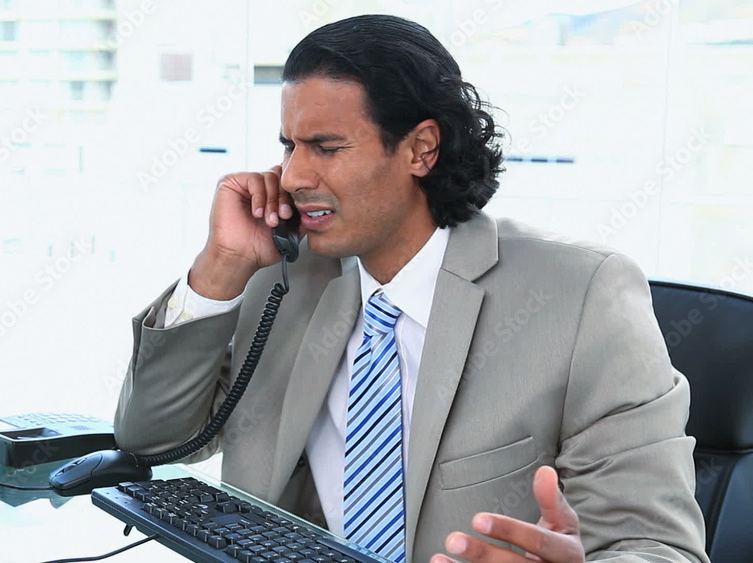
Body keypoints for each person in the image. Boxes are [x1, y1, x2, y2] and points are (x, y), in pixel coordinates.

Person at [114, 14, 708, 563]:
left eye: (327, 147)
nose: (293, 177)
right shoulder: (283, 279)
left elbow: (659, 544)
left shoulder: (582, 295)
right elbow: (155, 438)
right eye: (289, 147)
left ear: (421, 148)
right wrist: (222, 265)